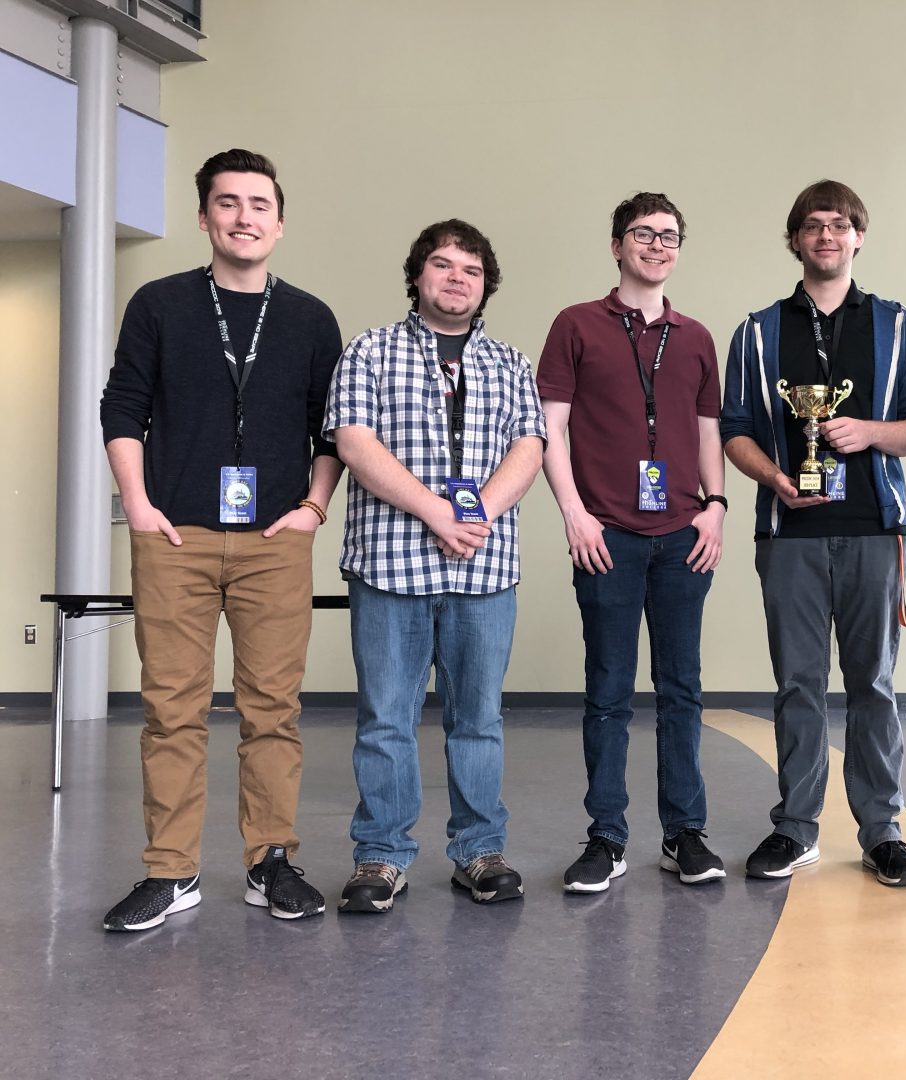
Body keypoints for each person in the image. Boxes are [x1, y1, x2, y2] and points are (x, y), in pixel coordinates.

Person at [99, 148, 341, 930]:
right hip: (176, 536)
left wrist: (313, 505)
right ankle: (171, 872)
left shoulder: (308, 316)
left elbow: (331, 429)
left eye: (260, 204)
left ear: (281, 220)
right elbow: (122, 408)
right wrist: (135, 503)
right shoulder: (160, 304)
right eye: (228, 203)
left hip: (276, 539)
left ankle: (270, 862)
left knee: (273, 707)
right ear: (204, 217)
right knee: (173, 709)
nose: (245, 217)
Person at [325, 219, 545, 913]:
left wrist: (472, 514)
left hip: (484, 571)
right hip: (391, 568)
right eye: (443, 266)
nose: (457, 279)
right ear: (418, 276)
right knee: (386, 718)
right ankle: (380, 858)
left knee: (477, 719)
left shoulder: (510, 364)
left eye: (471, 270)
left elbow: (530, 448)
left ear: (486, 285)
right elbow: (355, 443)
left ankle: (479, 852)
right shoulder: (369, 351)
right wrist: (436, 512)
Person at [720, 179, 906, 886]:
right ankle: (797, 827)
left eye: (839, 225)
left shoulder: (899, 326)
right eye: (812, 226)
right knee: (798, 685)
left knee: (873, 682)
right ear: (794, 240)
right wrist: (775, 478)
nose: (826, 236)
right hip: (790, 531)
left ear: (858, 238)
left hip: (875, 527)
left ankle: (881, 831)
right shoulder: (756, 332)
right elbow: (738, 431)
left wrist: (870, 432)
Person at [537, 193, 727, 893]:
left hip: (684, 536)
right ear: (617, 246)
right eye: (642, 234)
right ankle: (607, 838)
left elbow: (708, 432)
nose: (656, 245)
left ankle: (684, 834)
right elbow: (550, 428)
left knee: (682, 689)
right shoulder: (576, 326)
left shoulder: (698, 336)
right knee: (609, 692)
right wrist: (574, 514)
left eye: (668, 236)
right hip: (607, 537)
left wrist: (717, 508)